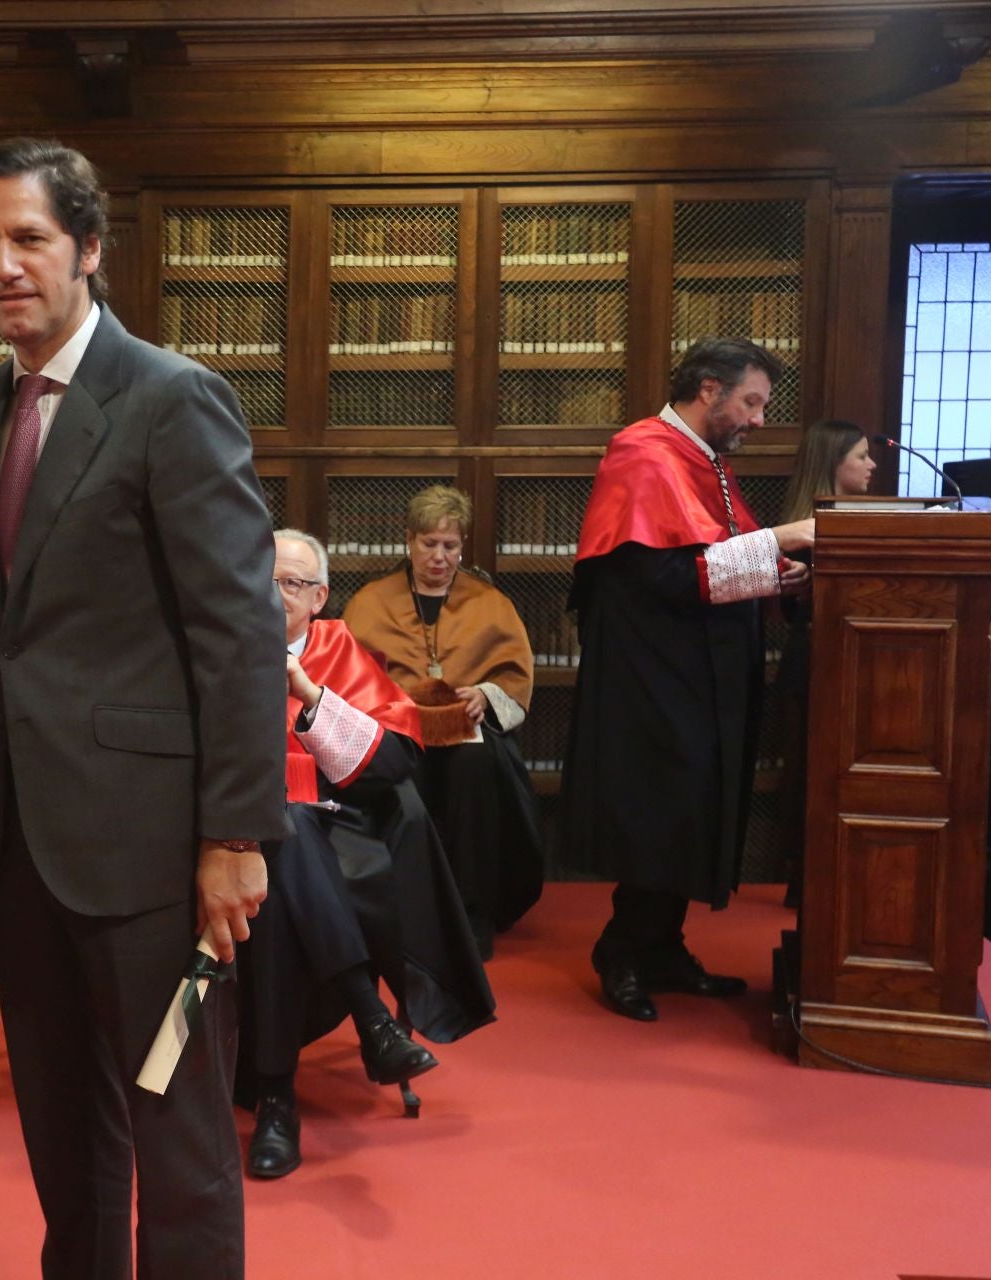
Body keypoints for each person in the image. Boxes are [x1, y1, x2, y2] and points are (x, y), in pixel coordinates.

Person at [0, 137, 286, 1280]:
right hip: (24, 836)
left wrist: (234, 837)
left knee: (176, 1129)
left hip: (154, 851)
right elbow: (10, 612)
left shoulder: (175, 398)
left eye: (28, 238)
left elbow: (239, 631)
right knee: (61, 1128)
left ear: (87, 248)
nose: (3, 264)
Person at [560, 337, 814, 1023]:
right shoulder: (644, 451)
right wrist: (783, 541)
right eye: (752, 402)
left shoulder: (706, 461)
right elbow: (666, 574)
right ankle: (622, 948)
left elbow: (718, 556)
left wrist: (779, 570)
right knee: (661, 806)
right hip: (653, 674)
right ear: (708, 389)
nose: (760, 419)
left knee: (691, 804)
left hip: (701, 672)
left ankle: (663, 947)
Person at [238, 529, 493, 1180]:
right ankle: (371, 1019)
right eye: (264, 578)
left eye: (291, 583)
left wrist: (308, 693)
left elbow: (394, 761)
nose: (275, 594)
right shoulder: (215, 642)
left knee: (288, 846)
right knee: (281, 834)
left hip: (337, 825)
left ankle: (276, 1097)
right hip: (229, 826)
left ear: (319, 596)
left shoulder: (335, 648)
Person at [343, 484, 545, 956]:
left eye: (450, 546)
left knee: (475, 770)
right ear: (409, 541)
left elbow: (514, 675)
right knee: (398, 773)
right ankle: (407, 913)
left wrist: (485, 695)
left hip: (466, 729)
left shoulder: (489, 602)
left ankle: (472, 913)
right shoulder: (371, 601)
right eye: (429, 544)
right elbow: (349, 676)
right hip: (396, 729)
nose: (439, 557)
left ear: (463, 546)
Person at [775, 419, 876, 903]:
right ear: (833, 463)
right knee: (809, 773)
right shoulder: (800, 530)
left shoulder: (873, 520)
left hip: (863, 670)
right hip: (814, 665)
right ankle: (805, 875)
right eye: (861, 456)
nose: (872, 464)